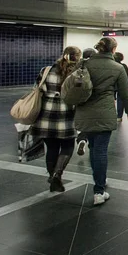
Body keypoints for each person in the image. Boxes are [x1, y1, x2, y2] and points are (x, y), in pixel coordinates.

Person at [74, 37, 128, 205]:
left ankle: (99, 178)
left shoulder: (83, 64)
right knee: (100, 150)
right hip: (104, 112)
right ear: (113, 50)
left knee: (94, 148)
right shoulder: (117, 67)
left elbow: (75, 85)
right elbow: (125, 92)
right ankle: (99, 191)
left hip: (84, 111)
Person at [32, 46, 81, 192]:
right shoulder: (77, 73)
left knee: (52, 148)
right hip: (67, 115)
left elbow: (36, 88)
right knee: (67, 146)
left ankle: (52, 176)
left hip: (46, 116)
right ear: (77, 57)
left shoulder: (45, 70)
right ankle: (57, 174)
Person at [76, 48, 96, 156]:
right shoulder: (96, 67)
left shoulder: (78, 66)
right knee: (93, 123)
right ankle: (91, 145)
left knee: (82, 122)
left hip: (80, 99)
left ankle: (82, 139)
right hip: (94, 99)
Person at [113, 52, 128, 123]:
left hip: (112, 85)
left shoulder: (112, 65)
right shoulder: (124, 66)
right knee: (120, 101)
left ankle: (111, 115)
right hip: (121, 86)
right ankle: (119, 116)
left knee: (110, 100)